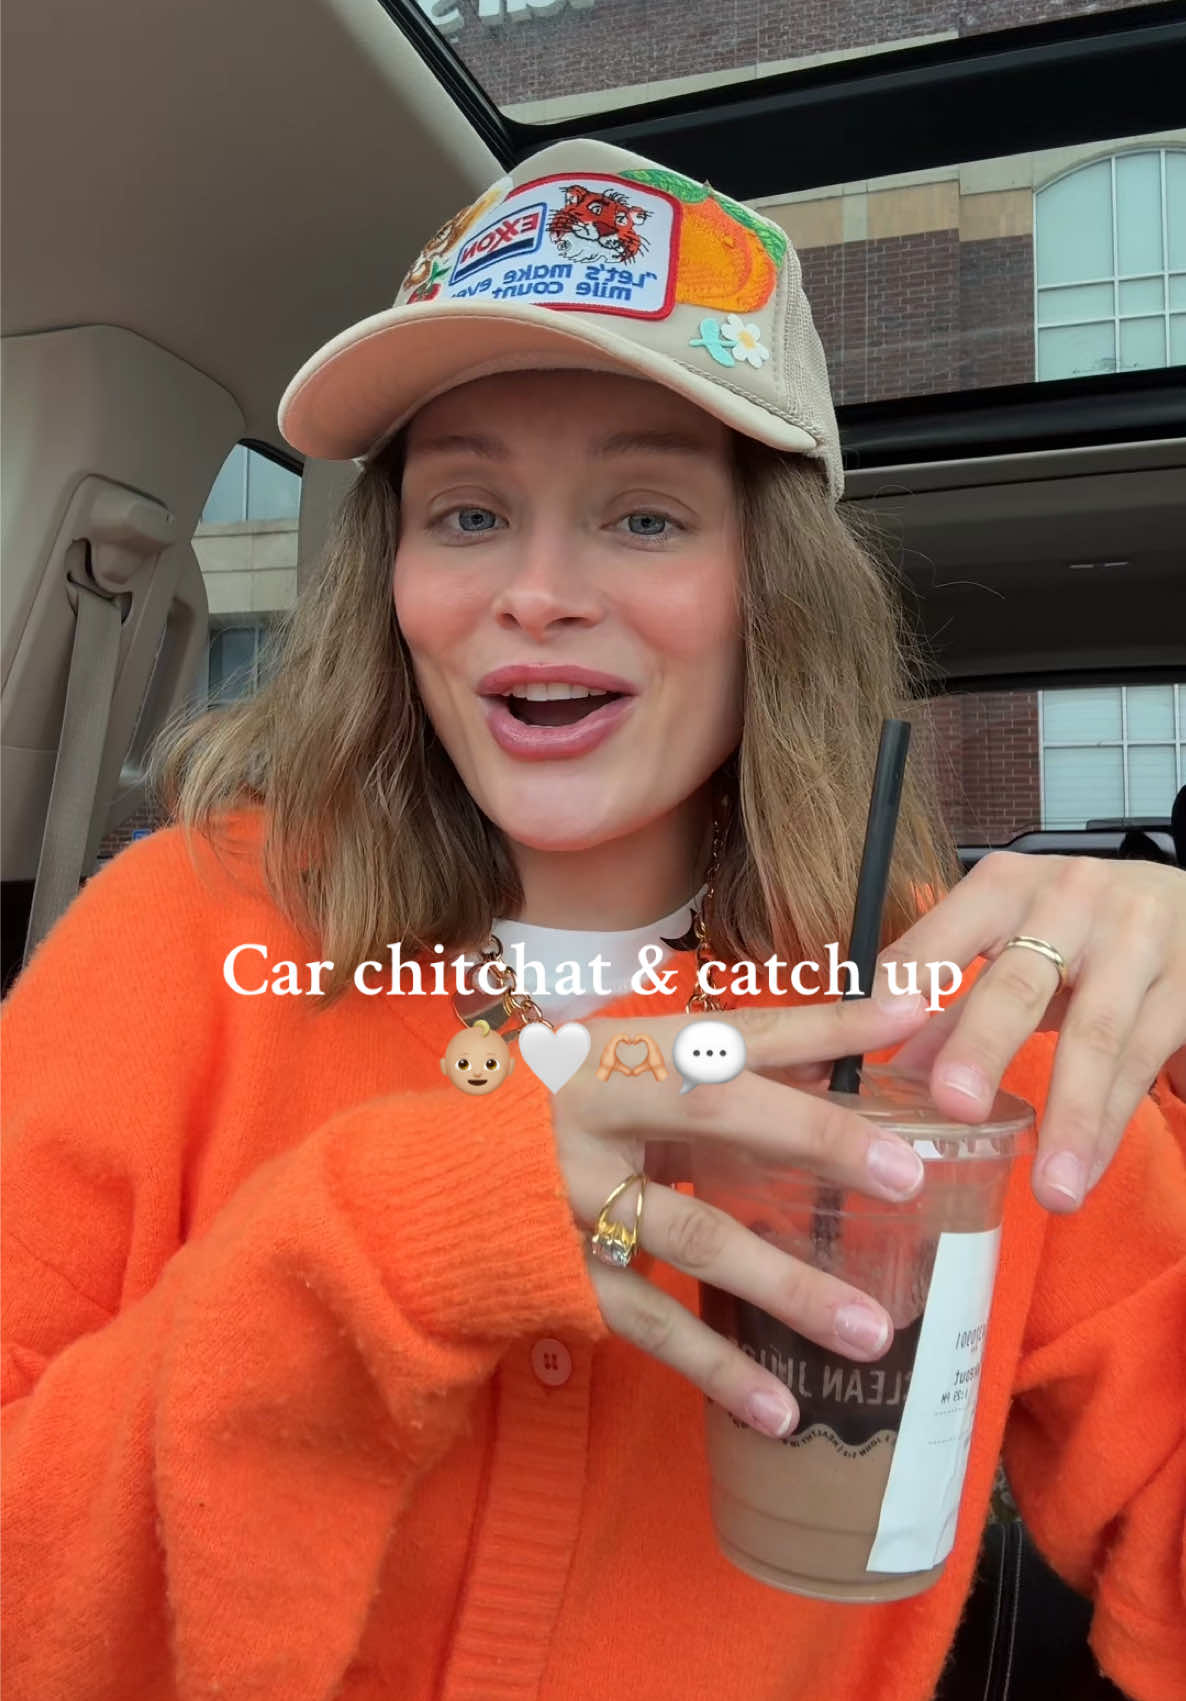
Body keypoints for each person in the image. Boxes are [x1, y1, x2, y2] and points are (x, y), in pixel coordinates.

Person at [3, 139, 1185, 1701]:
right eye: (467, 512)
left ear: (771, 586)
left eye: (643, 517)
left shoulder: (951, 1020)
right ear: (390, 579)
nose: (539, 591)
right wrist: (387, 1248)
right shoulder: (172, 937)